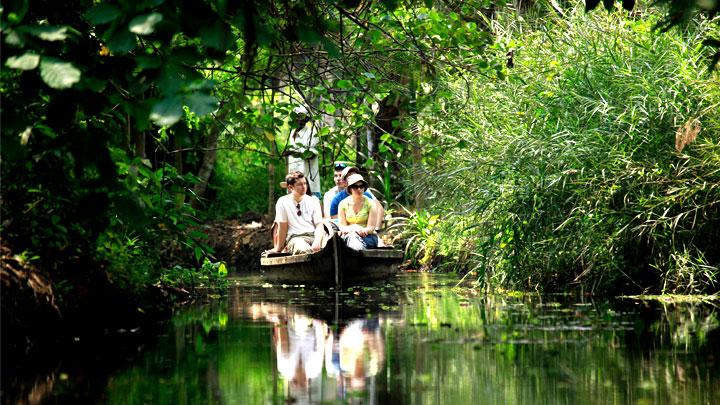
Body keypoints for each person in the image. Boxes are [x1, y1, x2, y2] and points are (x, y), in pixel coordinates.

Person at [267, 171, 326, 255]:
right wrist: (278, 248)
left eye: (305, 183)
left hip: (313, 236)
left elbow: (319, 225)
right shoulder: (283, 202)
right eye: (300, 184)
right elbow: (282, 228)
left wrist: (317, 242)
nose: (304, 187)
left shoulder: (313, 200)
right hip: (295, 238)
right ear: (290, 187)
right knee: (304, 249)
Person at [338, 174, 379, 251]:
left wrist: (362, 230)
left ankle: (356, 253)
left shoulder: (371, 203)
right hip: (349, 236)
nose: (359, 189)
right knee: (352, 238)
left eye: (361, 186)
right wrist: (354, 228)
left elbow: (371, 227)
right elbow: (342, 226)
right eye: (355, 187)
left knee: (353, 242)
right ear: (350, 188)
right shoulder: (342, 204)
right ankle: (358, 254)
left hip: (368, 237)